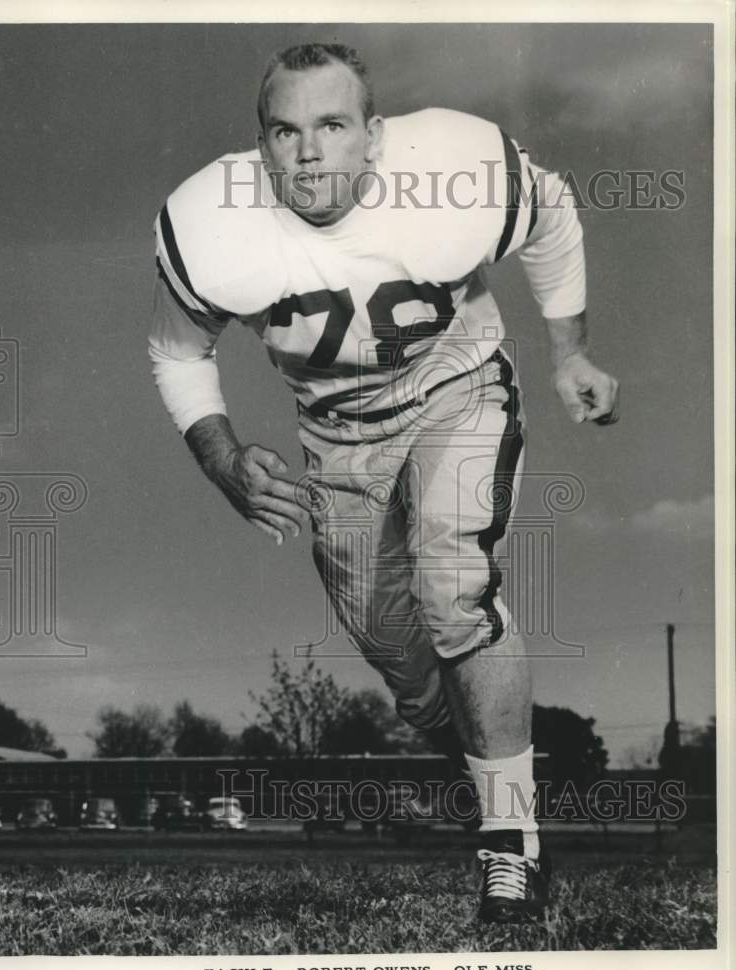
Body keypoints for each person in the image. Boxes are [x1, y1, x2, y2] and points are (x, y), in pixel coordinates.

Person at [148, 43, 619, 922]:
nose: (309, 151)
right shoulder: (211, 217)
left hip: (457, 391)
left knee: (454, 590)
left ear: (375, 135)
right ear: (261, 144)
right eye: (285, 132)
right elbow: (178, 352)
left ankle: (509, 848)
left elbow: (550, 212)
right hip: (337, 442)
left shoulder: (449, 166)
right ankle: (493, 773)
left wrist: (569, 351)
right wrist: (221, 456)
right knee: (407, 672)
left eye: (332, 125)